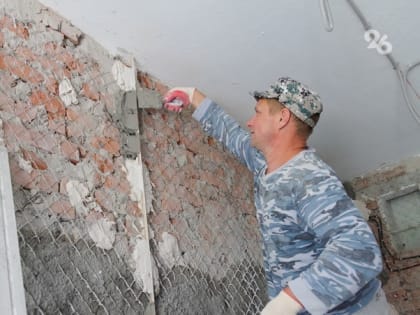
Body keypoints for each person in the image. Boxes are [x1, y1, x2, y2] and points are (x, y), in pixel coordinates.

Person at [163, 77, 389, 315]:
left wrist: (285, 304)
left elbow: (359, 251)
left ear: (282, 118)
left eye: (258, 113)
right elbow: (232, 135)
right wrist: (192, 94)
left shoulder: (309, 177)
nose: (250, 122)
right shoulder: (267, 164)